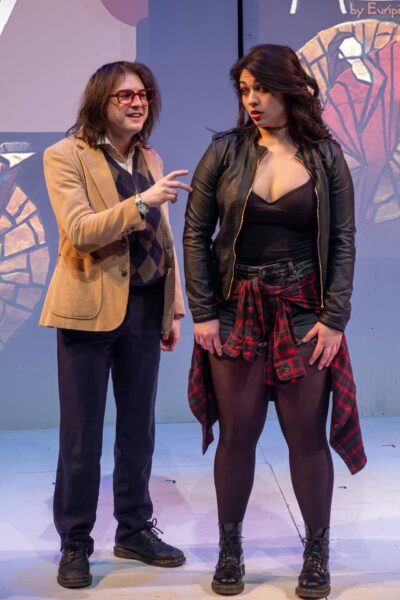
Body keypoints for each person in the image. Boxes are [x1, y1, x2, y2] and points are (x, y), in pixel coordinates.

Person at [183, 44, 366, 599]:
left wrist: (334, 318)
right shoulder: (225, 151)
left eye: (261, 88)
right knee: (237, 434)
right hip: (236, 307)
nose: (253, 100)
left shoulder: (325, 155)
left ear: (290, 89)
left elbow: (343, 239)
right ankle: (230, 549)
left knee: (305, 435)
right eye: (244, 90)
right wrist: (203, 312)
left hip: (303, 309)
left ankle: (316, 551)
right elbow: (196, 234)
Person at [40, 61, 192, 588]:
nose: (137, 102)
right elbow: (80, 230)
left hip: (145, 308)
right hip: (88, 310)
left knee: (138, 429)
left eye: (143, 93)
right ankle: (75, 542)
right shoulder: (66, 155)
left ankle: (134, 529)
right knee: (81, 436)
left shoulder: (150, 156)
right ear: (99, 100)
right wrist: (141, 201)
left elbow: (164, 238)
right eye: (124, 95)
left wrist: (173, 307)